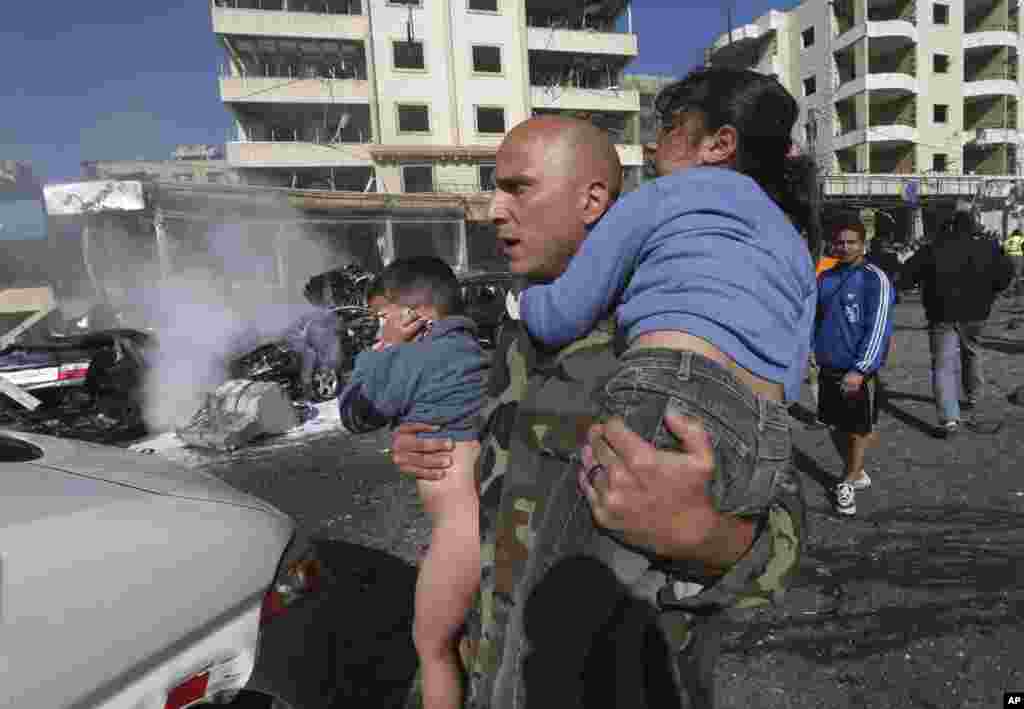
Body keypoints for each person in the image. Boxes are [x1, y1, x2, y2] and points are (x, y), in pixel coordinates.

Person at [392, 66, 815, 709]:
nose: (491, 210)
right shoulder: (515, 338)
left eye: (516, 189)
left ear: (594, 203)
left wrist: (704, 535)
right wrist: (434, 448)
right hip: (492, 663)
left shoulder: (663, 325)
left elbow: (778, 524)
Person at [336, 257, 489, 709]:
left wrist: (377, 354)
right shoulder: (473, 351)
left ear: (411, 316)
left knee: (431, 648)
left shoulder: (414, 355)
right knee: (466, 637)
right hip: (490, 520)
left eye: (382, 318)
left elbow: (355, 411)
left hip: (457, 532)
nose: (378, 328)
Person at [902, 210, 1015, 437]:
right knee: (972, 351)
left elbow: (908, 274)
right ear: (974, 226)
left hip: (941, 312)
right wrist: (992, 291)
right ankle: (974, 395)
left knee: (943, 364)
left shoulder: (933, 248)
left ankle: (949, 419)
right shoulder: (988, 247)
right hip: (977, 311)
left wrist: (913, 284)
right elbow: (1006, 272)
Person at [813, 218, 895, 516]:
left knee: (858, 428)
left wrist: (860, 369)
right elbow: (816, 319)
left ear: (863, 244)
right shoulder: (825, 278)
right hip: (828, 365)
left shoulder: (875, 278)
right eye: (840, 242)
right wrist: (811, 351)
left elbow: (879, 327)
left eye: (851, 242)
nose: (845, 247)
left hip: (856, 370)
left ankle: (847, 481)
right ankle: (856, 471)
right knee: (834, 424)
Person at [1005, 227, 1024, 295]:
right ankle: (1009, 290)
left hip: (1009, 256)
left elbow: (1003, 249)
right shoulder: (1021, 239)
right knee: (1017, 274)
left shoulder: (1009, 240)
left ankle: (1019, 290)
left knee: (1014, 274)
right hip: (1019, 256)